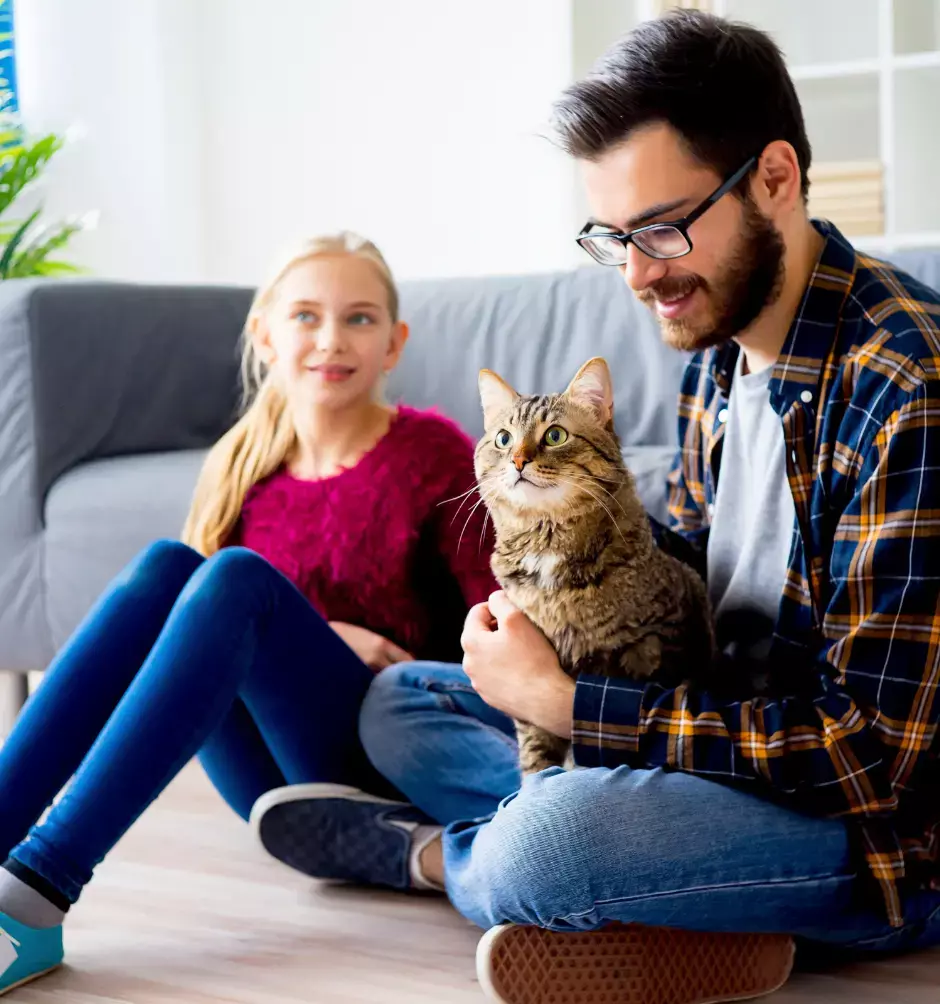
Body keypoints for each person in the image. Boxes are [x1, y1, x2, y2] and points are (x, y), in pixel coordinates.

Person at [253, 13, 940, 1004]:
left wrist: (572, 709)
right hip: (717, 744)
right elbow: (699, 594)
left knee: (547, 838)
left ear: (776, 179)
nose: (635, 273)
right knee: (401, 703)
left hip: (869, 836)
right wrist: (565, 564)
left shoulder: (904, 389)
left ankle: (458, 861)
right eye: (612, 237)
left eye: (660, 227)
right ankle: (671, 899)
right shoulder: (718, 349)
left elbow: (871, 756)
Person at [0, 232, 495, 994]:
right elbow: (198, 641)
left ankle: (35, 894)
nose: (332, 339)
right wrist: (321, 630)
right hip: (270, 783)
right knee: (171, 566)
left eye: (360, 319)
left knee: (235, 577)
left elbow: (499, 632)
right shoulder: (243, 463)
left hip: (381, 751)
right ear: (264, 332)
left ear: (395, 344)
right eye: (306, 316)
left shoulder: (433, 454)